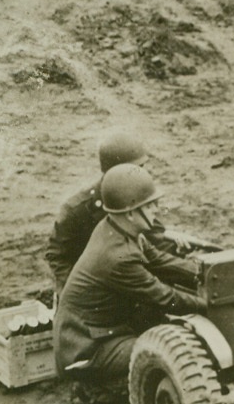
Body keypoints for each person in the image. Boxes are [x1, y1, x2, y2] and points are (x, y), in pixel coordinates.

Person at [53, 164, 206, 383]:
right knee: (170, 351)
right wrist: (210, 303)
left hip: (102, 330)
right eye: (150, 205)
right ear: (132, 213)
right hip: (86, 349)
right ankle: (98, 391)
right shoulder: (117, 257)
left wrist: (208, 272)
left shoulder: (116, 227)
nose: (157, 208)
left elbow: (160, 261)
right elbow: (165, 296)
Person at [46, 131, 169, 294]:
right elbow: (58, 255)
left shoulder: (138, 198)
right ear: (114, 171)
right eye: (135, 170)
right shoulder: (77, 210)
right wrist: (77, 291)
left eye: (141, 168)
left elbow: (156, 240)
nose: (142, 175)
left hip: (127, 279)